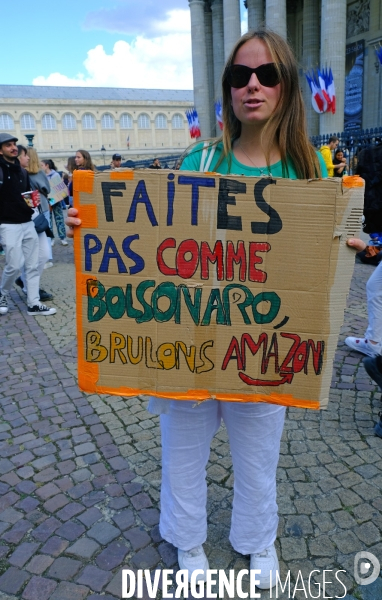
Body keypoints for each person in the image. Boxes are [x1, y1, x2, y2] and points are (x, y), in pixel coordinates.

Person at [66, 30, 327, 589]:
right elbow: (154, 238)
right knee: (182, 454)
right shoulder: (200, 157)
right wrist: (92, 224)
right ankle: (186, 541)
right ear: (228, 89)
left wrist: (344, 246)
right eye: (239, 76)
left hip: (264, 349)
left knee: (259, 460)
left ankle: (257, 542)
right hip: (189, 341)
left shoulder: (309, 171)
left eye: (266, 75)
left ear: (286, 85)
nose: (252, 86)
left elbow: (318, 264)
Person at [0, 133, 56, 316]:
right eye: (8, 145)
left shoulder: (22, 172)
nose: (13, 147)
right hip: (8, 224)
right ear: (1, 151)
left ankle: (33, 303)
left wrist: (33, 201)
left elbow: (26, 198)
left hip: (27, 223)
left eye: (14, 144)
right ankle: (2, 294)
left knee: (32, 265)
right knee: (14, 265)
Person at [15, 146, 53, 302]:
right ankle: (29, 288)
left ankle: (25, 282)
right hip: (21, 220)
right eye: (25, 155)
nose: (28, 158)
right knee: (24, 258)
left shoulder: (28, 174)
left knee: (43, 254)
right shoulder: (14, 174)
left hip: (37, 216)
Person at [355, 143, 382, 235]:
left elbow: (358, 177)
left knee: (374, 235)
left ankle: (376, 245)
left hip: (370, 201)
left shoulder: (365, 153)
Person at [40, 159, 68, 246]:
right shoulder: (42, 175)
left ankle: (62, 237)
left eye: (42, 165)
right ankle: (51, 238)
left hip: (56, 200)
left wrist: (53, 199)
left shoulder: (55, 175)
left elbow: (60, 189)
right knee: (49, 221)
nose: (40, 167)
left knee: (59, 219)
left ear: (47, 165)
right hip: (46, 201)